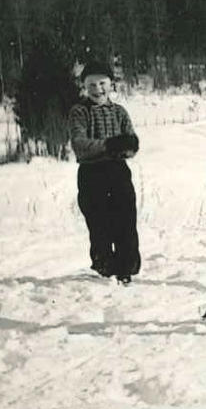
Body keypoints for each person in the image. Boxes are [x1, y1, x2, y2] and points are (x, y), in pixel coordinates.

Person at [68, 60, 141, 284]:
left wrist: (126, 146)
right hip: (92, 174)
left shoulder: (119, 112)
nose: (98, 90)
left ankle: (126, 268)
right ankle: (104, 268)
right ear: (84, 87)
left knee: (125, 219)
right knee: (99, 221)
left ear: (111, 85)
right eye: (92, 85)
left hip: (118, 172)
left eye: (102, 84)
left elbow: (131, 143)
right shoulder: (79, 111)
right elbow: (80, 144)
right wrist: (110, 145)